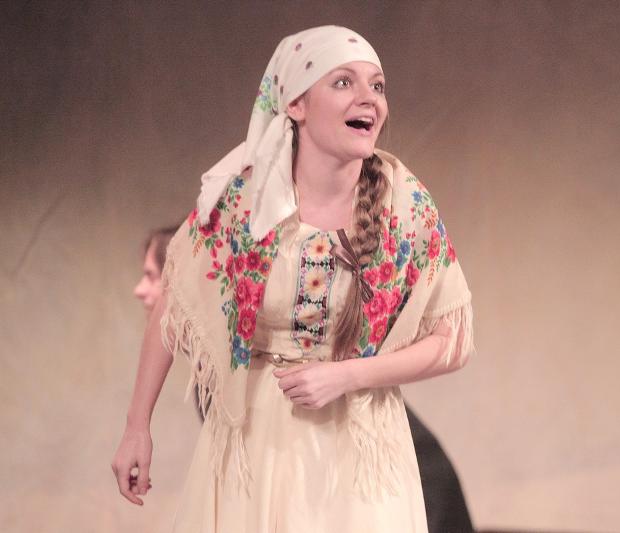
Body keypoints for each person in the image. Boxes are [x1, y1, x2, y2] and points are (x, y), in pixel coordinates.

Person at [112, 25, 474, 533]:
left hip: (362, 450)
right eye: (344, 82)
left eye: (377, 85)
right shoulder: (244, 200)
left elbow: (452, 341)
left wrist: (349, 375)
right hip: (257, 440)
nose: (368, 98)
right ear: (296, 104)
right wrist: (137, 426)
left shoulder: (404, 204)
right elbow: (174, 305)